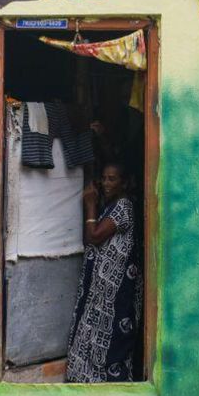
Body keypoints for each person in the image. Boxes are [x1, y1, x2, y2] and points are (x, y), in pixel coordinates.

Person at [66, 162, 143, 382]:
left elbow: (95, 236)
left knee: (112, 344)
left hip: (115, 294)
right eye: (104, 178)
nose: (106, 183)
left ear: (124, 183)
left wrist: (89, 204)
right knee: (90, 337)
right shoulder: (110, 206)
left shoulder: (124, 206)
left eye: (112, 179)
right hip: (99, 295)